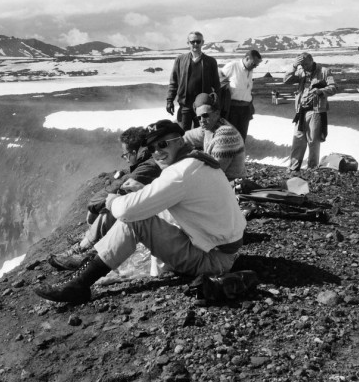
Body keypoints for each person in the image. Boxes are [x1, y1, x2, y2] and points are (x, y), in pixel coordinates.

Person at [34, 120, 246, 304]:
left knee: (135, 220)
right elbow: (180, 201)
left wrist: (113, 201)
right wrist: (144, 192)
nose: (157, 152)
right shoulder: (195, 161)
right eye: (152, 148)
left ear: (180, 141)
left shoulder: (179, 173)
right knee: (144, 213)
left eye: (163, 144)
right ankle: (89, 262)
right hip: (220, 249)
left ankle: (80, 282)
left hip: (214, 260)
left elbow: (127, 211)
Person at [48, 127, 161, 270]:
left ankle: (84, 248)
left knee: (114, 205)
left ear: (135, 152)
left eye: (125, 155)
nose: (126, 160)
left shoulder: (149, 167)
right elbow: (129, 174)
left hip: (156, 218)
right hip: (154, 211)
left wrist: (96, 203)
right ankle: (90, 238)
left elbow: (117, 189)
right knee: (116, 202)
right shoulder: (147, 161)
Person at [283, 52, 337, 171]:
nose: (305, 67)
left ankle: (312, 168)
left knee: (313, 140)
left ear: (312, 61)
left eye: (306, 64)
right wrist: (293, 66)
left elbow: (334, 87)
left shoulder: (324, 71)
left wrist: (320, 91)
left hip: (316, 111)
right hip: (301, 111)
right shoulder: (300, 71)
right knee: (298, 139)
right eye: (302, 65)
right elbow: (286, 80)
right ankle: (293, 167)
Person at [184, 93, 247, 181]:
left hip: (232, 185)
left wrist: (194, 155)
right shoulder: (208, 128)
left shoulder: (226, 135)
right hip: (220, 181)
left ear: (217, 113)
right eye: (198, 117)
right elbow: (186, 138)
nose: (202, 121)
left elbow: (215, 171)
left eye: (205, 115)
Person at [166, 31, 220, 131]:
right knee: (183, 134)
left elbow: (216, 85)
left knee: (201, 133)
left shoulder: (210, 61)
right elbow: (174, 82)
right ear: (188, 43)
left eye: (198, 41)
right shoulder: (180, 60)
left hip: (203, 106)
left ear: (202, 42)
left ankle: (200, 147)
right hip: (185, 105)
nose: (195, 44)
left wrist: (216, 105)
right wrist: (170, 100)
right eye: (192, 42)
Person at [220, 50, 263, 141]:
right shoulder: (233, 66)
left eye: (256, 65)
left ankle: (240, 154)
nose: (255, 67)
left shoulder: (250, 70)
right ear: (247, 59)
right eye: (253, 64)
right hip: (232, 109)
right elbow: (219, 79)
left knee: (242, 136)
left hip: (245, 109)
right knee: (230, 136)